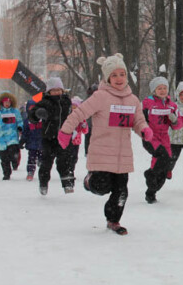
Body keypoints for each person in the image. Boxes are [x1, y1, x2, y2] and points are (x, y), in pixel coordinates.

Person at [58, 54, 149, 235]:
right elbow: (79, 113)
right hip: (101, 154)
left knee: (121, 192)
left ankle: (113, 220)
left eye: (122, 74)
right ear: (107, 78)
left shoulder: (133, 100)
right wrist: (66, 130)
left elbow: (138, 121)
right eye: (113, 75)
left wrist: (145, 131)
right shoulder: (100, 97)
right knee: (101, 186)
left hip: (123, 156)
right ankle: (89, 181)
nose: (118, 78)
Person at [141, 76, 183, 203]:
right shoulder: (147, 103)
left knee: (165, 168)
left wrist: (174, 120)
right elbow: (140, 120)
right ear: (154, 91)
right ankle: (150, 174)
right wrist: (144, 131)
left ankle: (151, 192)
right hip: (151, 136)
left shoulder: (172, 106)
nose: (163, 90)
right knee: (162, 157)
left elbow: (178, 126)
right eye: (159, 88)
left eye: (165, 88)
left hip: (164, 137)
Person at [30, 77, 74, 195]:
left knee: (64, 161)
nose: (56, 92)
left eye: (59, 89)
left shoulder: (66, 101)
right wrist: (37, 114)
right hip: (48, 137)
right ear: (49, 91)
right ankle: (43, 183)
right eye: (53, 90)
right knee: (46, 162)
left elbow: (72, 114)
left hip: (63, 136)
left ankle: (67, 184)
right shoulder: (45, 102)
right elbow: (32, 113)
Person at [0, 92, 23, 180]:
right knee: (4, 158)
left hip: (12, 137)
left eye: (9, 101)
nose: (7, 103)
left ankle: (15, 161)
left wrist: (20, 127)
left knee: (13, 153)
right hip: (2, 139)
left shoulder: (15, 111)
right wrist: (2, 121)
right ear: (1, 102)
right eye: (5, 101)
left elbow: (20, 121)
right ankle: (6, 174)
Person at [67, 96, 89, 183]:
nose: (74, 108)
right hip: (68, 141)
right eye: (72, 106)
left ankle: (71, 171)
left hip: (76, 141)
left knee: (74, 158)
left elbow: (85, 131)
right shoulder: (67, 115)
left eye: (76, 106)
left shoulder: (81, 117)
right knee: (67, 157)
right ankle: (67, 171)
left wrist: (84, 126)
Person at [21, 99, 43, 182]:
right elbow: (25, 132)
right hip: (31, 143)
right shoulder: (27, 121)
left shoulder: (42, 119)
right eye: (31, 108)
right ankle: (30, 172)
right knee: (31, 158)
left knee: (42, 157)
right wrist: (22, 140)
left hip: (42, 143)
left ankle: (42, 169)